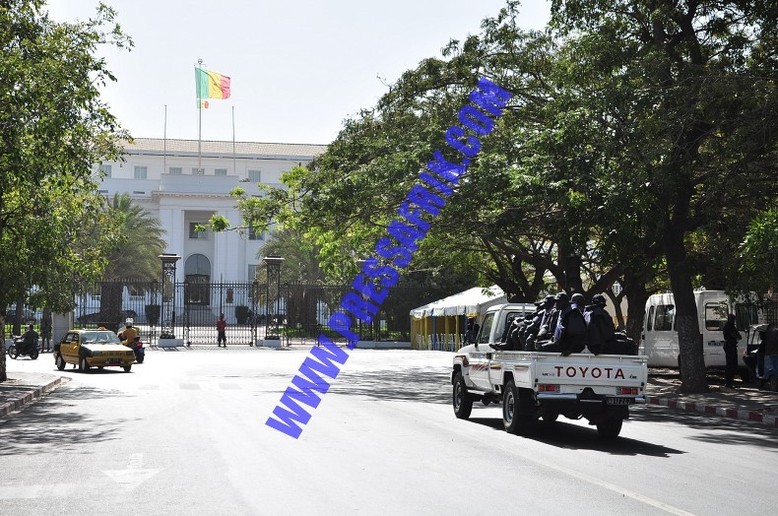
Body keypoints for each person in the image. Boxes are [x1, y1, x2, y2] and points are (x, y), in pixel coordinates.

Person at [722, 313, 741, 388]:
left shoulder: (730, 326)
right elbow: (737, 335)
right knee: (731, 365)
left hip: (731, 345)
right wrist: (736, 336)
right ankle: (728, 383)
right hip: (730, 346)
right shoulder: (729, 327)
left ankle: (730, 382)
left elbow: (739, 336)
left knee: (732, 365)